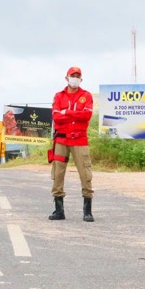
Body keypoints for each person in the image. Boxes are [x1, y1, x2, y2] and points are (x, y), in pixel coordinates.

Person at [49, 66, 94, 222]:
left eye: (77, 75)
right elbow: (56, 116)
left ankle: (87, 210)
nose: (75, 78)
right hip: (61, 140)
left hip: (80, 140)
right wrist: (73, 115)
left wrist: (66, 112)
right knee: (58, 173)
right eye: (72, 75)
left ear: (81, 78)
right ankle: (59, 210)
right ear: (66, 78)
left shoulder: (86, 96)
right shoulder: (59, 96)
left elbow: (86, 115)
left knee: (85, 173)